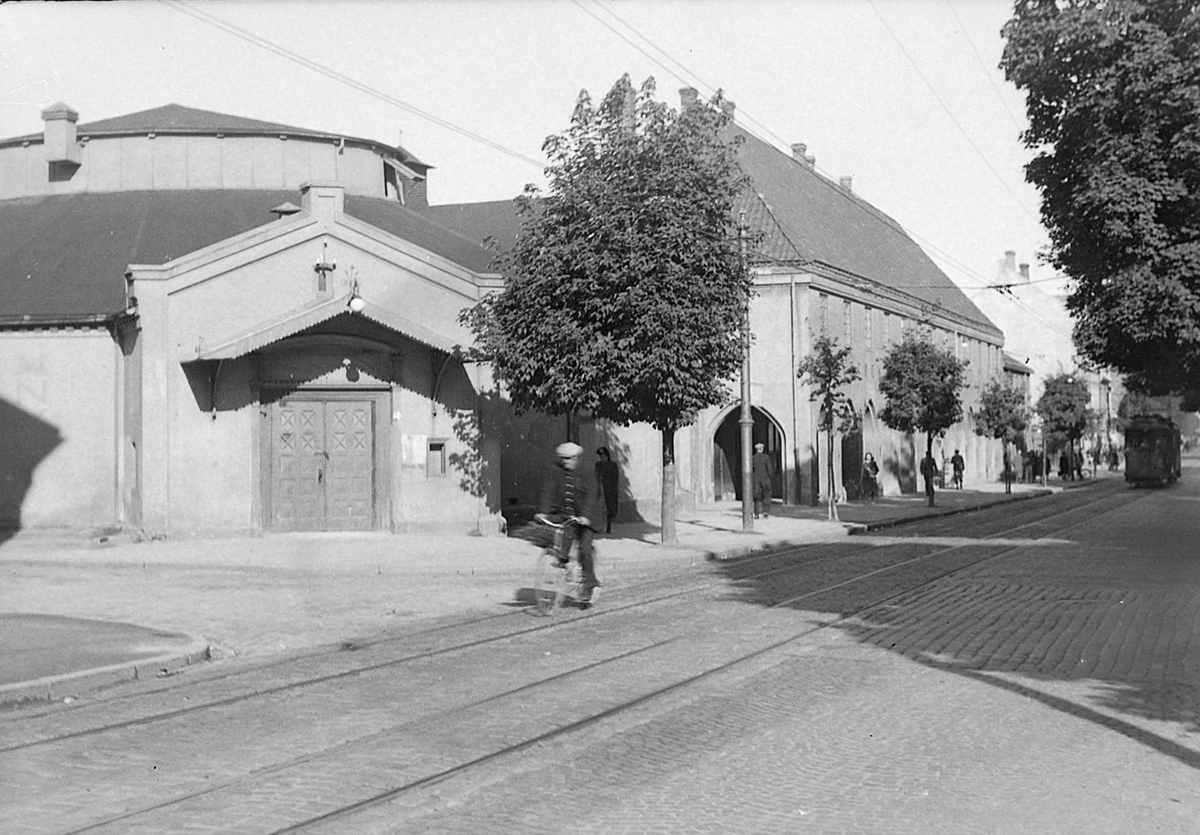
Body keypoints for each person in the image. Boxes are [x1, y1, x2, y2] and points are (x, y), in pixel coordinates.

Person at [537, 442, 601, 605]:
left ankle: (590, 585)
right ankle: (566, 569)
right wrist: (543, 511)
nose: (566, 462)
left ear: (577, 458)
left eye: (569, 459)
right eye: (563, 459)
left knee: (585, 550)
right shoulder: (555, 471)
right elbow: (548, 490)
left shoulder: (587, 471)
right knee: (560, 550)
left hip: (586, 519)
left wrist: (585, 515)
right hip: (566, 517)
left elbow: (592, 493)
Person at [594, 446, 620, 534]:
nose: (602, 458)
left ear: (607, 456)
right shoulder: (598, 465)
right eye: (600, 457)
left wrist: (614, 490)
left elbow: (615, 479)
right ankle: (597, 526)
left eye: (603, 456)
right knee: (598, 508)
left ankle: (609, 526)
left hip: (609, 490)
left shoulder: (612, 465)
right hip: (599, 489)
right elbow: (595, 476)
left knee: (609, 509)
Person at [751, 442, 775, 518]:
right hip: (765, 479)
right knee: (767, 495)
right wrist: (771, 478)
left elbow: (751, 468)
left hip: (756, 479)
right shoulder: (766, 457)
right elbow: (770, 469)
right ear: (762, 449)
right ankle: (766, 511)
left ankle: (756, 513)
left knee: (756, 496)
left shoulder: (753, 458)